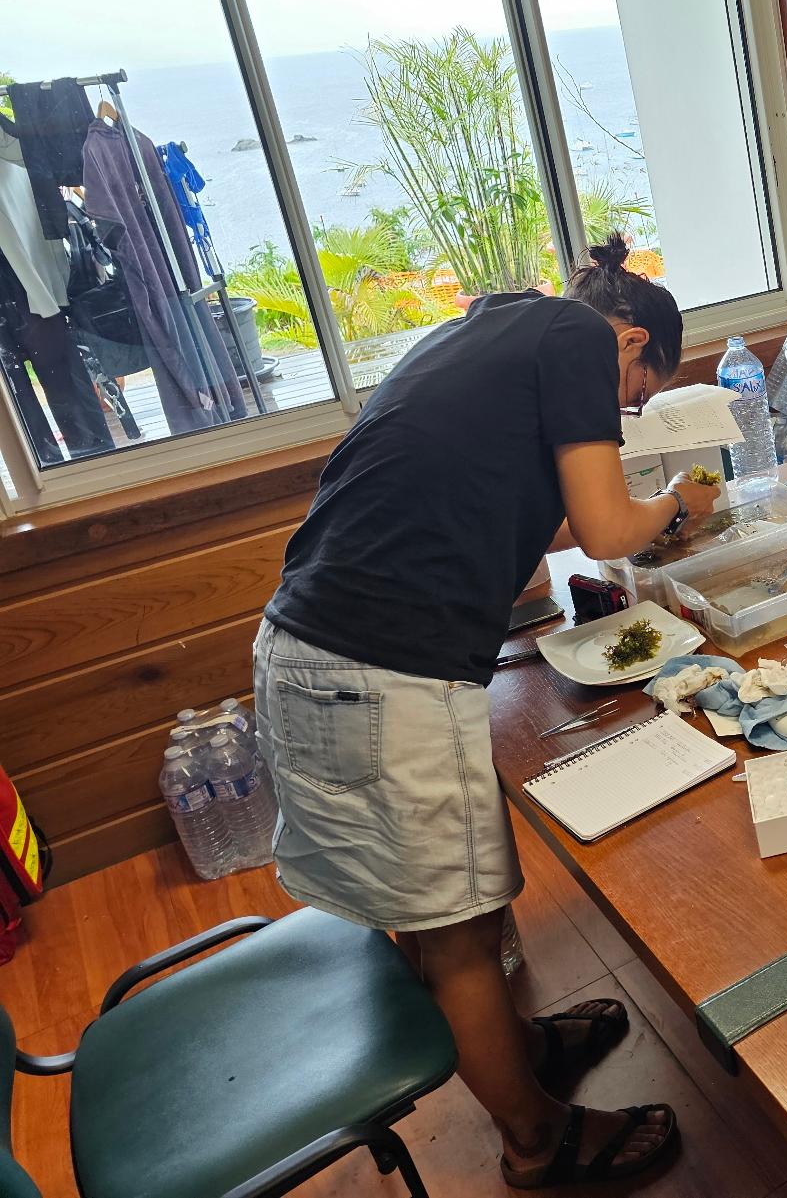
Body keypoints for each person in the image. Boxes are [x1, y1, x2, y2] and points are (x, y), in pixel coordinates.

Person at [252, 235, 718, 1188]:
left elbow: (526, 515)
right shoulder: (578, 339)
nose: (622, 414)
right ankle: (537, 1141)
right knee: (460, 931)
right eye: (634, 399)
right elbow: (602, 527)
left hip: (307, 648)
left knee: (435, 912)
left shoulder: (486, 330)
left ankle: (518, 1044)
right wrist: (675, 502)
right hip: (382, 672)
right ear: (630, 341)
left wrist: (636, 508)